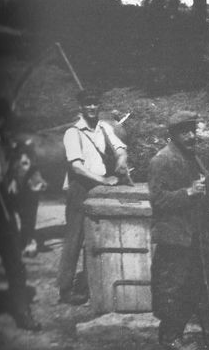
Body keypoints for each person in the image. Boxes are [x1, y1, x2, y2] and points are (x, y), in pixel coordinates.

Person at [149, 111, 209, 350]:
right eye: (185, 131)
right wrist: (187, 193)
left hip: (195, 233)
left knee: (200, 282)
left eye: (193, 130)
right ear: (173, 134)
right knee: (174, 289)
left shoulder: (192, 156)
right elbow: (157, 199)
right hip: (174, 236)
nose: (191, 136)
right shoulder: (162, 160)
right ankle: (170, 338)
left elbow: (201, 186)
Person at [58, 89, 129, 305]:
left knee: (96, 237)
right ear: (80, 107)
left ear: (99, 106)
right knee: (74, 238)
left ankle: (91, 285)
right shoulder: (73, 132)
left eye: (95, 103)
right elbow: (77, 168)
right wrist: (104, 180)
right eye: (87, 104)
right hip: (81, 188)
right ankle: (65, 289)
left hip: (99, 187)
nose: (91, 107)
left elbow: (120, 147)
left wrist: (121, 160)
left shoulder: (104, 127)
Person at [0, 98, 41, 332]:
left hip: (4, 212)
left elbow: (13, 169)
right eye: (4, 121)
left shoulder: (5, 142)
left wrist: (12, 181)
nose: (7, 127)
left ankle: (22, 313)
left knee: (15, 264)